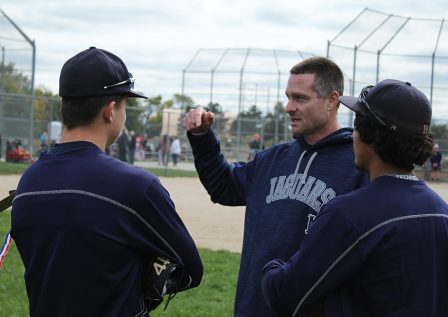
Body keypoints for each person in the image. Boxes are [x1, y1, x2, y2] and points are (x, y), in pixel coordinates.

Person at [11, 47, 203, 317]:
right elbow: (191, 269)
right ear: (111, 110)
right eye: (125, 105)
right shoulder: (136, 186)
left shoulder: (28, 182)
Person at [261, 79, 448, 317]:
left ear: (370, 135)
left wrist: (271, 265)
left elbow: (285, 295)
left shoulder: (349, 214)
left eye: (357, 128)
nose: (353, 136)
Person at [183, 56, 368, 316]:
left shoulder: (358, 166)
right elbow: (223, 186)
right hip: (254, 307)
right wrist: (202, 137)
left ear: (332, 100)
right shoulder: (273, 158)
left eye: (300, 98)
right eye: (288, 97)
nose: (288, 107)